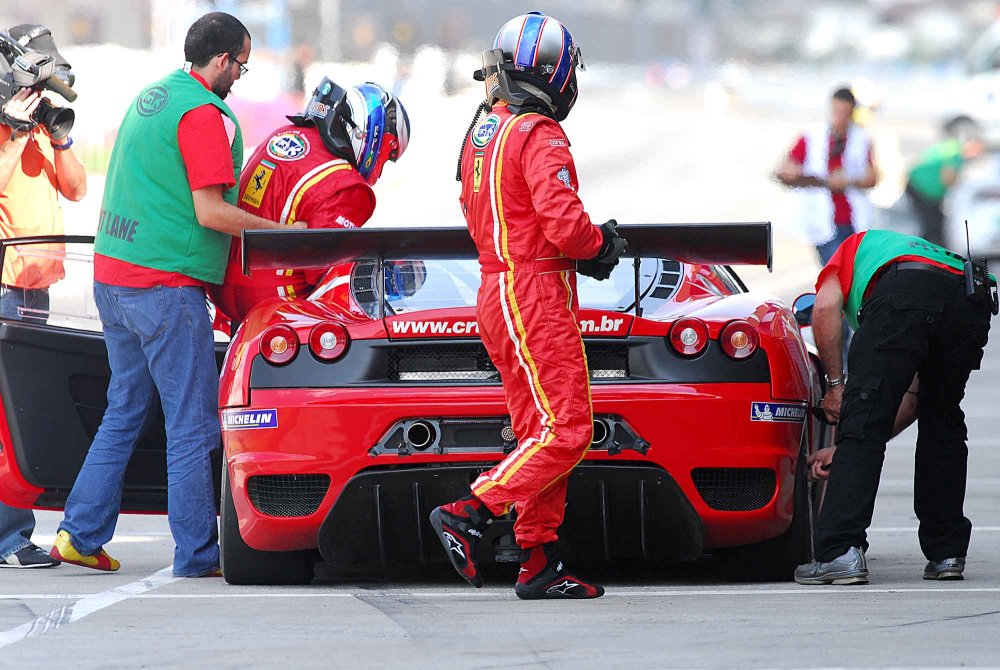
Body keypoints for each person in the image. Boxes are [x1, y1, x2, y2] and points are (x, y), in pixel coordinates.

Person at [49, 12, 303, 577]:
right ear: (222, 60)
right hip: (164, 288)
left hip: (114, 278)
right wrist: (284, 234)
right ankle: (196, 554)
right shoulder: (203, 114)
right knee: (192, 425)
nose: (239, 75)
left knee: (124, 409)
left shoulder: (155, 96)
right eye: (240, 64)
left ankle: (78, 534)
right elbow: (210, 212)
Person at [429, 12, 627, 600]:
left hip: (497, 289)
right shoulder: (540, 132)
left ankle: (538, 560)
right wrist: (598, 245)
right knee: (569, 430)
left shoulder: (483, 131)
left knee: (538, 433)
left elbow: (477, 212)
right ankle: (470, 511)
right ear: (556, 72)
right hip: (534, 294)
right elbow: (563, 221)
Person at [794, 229, 994, 585]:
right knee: (943, 419)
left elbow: (823, 309)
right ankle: (947, 553)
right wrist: (843, 450)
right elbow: (913, 400)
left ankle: (839, 552)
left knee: (863, 418)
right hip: (969, 297)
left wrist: (836, 388)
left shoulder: (849, 250)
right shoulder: (915, 252)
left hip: (905, 292)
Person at [210, 78, 409, 325]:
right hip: (274, 302)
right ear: (374, 136)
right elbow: (322, 270)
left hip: (220, 286)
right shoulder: (349, 186)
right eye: (388, 157)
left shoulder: (284, 133)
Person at [0, 24, 86, 569]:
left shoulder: (36, 130)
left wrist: (59, 138)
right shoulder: (8, 130)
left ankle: (13, 532)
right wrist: (11, 128)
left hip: (37, 290)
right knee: (6, 421)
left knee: (24, 417)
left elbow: (76, 189)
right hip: (6, 289)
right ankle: (9, 539)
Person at [776, 86, 880, 265]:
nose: (840, 118)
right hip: (820, 215)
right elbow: (787, 166)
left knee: (849, 268)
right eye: (837, 111)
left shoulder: (861, 138)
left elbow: (873, 178)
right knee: (836, 267)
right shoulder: (812, 136)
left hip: (852, 217)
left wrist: (848, 181)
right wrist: (796, 173)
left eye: (845, 112)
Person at [905, 137, 985, 246]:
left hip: (919, 183)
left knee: (932, 220)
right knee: (932, 222)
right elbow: (948, 177)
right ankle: (930, 248)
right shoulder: (956, 154)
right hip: (923, 188)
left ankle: (929, 246)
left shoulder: (951, 146)